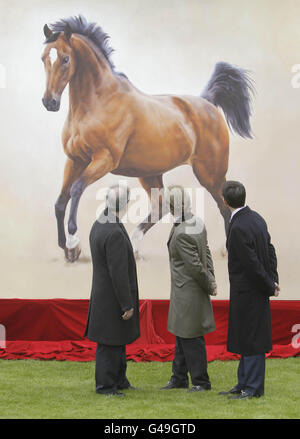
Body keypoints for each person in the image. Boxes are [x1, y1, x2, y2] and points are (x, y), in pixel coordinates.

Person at [219, 180, 279, 399]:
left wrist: (269, 283)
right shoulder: (256, 219)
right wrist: (273, 279)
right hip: (256, 289)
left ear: (224, 201)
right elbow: (270, 250)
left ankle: (252, 388)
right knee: (247, 336)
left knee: (252, 339)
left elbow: (251, 263)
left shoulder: (238, 227)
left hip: (249, 291)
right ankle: (244, 382)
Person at [84, 183, 140, 397]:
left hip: (104, 295)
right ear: (125, 204)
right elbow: (118, 273)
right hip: (112, 298)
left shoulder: (101, 222)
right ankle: (106, 386)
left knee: (117, 340)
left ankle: (119, 380)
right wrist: (126, 304)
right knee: (109, 343)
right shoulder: (114, 231)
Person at [161, 185, 217, 392]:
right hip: (186, 291)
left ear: (171, 205)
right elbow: (207, 253)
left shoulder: (183, 231)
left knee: (191, 337)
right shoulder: (195, 222)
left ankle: (201, 382)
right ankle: (179, 378)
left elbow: (195, 266)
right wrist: (211, 278)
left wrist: (209, 282)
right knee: (182, 334)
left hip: (187, 293)